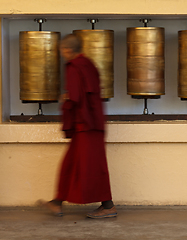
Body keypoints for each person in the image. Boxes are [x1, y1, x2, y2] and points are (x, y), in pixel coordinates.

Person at [39, 34, 117, 219]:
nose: (62, 54)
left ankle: (108, 206)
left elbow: (74, 97)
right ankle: (57, 202)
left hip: (85, 125)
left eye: (62, 51)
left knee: (93, 167)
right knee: (72, 164)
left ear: (67, 50)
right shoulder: (89, 64)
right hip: (93, 123)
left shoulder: (74, 67)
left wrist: (64, 99)